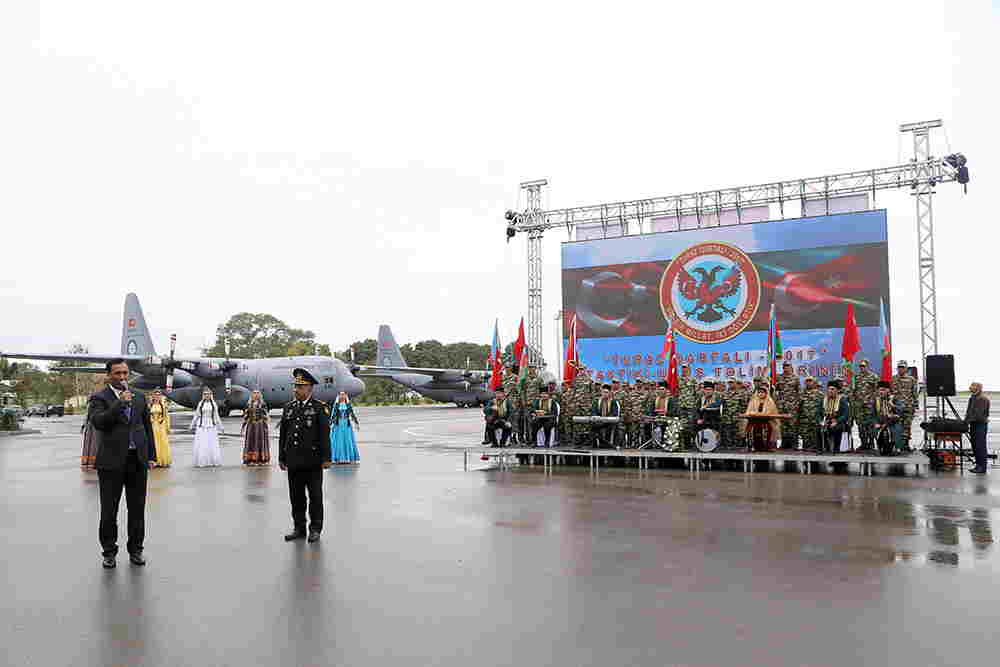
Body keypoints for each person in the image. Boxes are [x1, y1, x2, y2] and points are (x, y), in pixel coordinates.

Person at [88, 359, 156, 568]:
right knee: (109, 510)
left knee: (137, 509)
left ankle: (136, 550)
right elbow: (99, 422)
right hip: (111, 463)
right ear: (109, 375)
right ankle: (109, 552)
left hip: (137, 460)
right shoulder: (100, 398)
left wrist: (151, 454)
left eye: (125, 373)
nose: (123, 378)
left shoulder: (139, 396)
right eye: (118, 373)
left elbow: (146, 425)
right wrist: (119, 403)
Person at [279, 369, 332, 543]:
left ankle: (315, 528)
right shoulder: (289, 408)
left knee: (315, 497)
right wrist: (282, 457)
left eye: (300, 386)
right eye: (295, 386)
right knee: (296, 497)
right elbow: (284, 435)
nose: (296, 389)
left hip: (313, 461)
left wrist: (326, 458)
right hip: (293, 461)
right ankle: (299, 528)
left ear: (310, 388)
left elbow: (325, 435)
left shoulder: (319, 408)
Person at [190, 388, 223, 467]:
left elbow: (216, 416)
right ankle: (202, 460)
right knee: (202, 443)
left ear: (211, 395)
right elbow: (197, 414)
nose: (207, 396)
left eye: (208, 394)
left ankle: (212, 460)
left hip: (211, 425)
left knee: (211, 442)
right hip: (202, 425)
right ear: (203, 395)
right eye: (205, 394)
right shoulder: (200, 404)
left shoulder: (213, 404)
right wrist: (192, 424)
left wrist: (220, 426)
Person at [891, 360, 919, 450]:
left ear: (906, 368)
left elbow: (915, 393)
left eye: (902, 367)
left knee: (907, 426)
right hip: (896, 407)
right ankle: (897, 444)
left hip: (908, 407)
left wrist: (915, 405)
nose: (901, 369)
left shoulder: (911, 379)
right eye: (899, 367)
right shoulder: (893, 379)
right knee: (897, 426)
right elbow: (891, 393)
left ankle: (906, 444)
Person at [852, 359, 880, 449]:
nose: (862, 368)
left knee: (870, 424)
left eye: (863, 366)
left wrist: (872, 400)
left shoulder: (874, 376)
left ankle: (871, 443)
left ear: (867, 366)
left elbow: (878, 390)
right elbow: (853, 390)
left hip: (869, 405)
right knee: (861, 424)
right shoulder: (856, 377)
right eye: (861, 366)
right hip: (859, 405)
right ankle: (863, 443)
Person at [744, 385, 781, 449]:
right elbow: (749, 411)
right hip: (755, 421)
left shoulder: (770, 401)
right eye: (759, 392)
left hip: (767, 421)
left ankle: (767, 446)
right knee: (751, 427)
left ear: (766, 393)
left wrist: (758, 414)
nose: (760, 394)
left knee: (768, 428)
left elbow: (769, 412)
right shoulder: (753, 401)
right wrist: (755, 414)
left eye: (762, 392)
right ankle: (753, 446)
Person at [645, 381, 679, 448]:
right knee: (646, 424)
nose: (661, 391)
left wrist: (665, 413)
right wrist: (651, 415)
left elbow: (674, 412)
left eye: (662, 389)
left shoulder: (671, 400)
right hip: (656, 419)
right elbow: (651, 410)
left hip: (667, 419)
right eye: (659, 389)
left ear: (666, 390)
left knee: (666, 425)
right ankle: (649, 443)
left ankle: (664, 443)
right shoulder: (655, 399)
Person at [872, 380, 902, 455]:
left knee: (897, 429)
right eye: (879, 390)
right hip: (880, 422)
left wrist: (892, 405)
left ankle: (897, 448)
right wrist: (875, 423)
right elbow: (873, 414)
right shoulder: (876, 400)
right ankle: (878, 447)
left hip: (892, 422)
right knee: (874, 429)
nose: (881, 392)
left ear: (888, 390)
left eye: (883, 390)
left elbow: (900, 411)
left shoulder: (894, 399)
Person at [965, 382, 990, 474]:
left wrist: (968, 421)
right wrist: (965, 422)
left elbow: (979, 414)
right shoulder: (972, 398)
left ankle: (982, 467)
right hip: (973, 424)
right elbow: (969, 412)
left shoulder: (982, 399)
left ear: (978, 388)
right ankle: (978, 465)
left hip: (980, 425)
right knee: (975, 446)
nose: (970, 387)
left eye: (972, 386)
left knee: (980, 446)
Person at [820, 380, 850, 454]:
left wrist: (837, 421)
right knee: (818, 428)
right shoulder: (824, 399)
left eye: (832, 389)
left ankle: (837, 449)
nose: (830, 391)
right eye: (829, 389)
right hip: (826, 421)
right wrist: (820, 421)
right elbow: (818, 412)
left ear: (837, 390)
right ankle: (822, 449)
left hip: (838, 422)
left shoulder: (842, 400)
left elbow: (846, 414)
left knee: (837, 428)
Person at [775, 362, 801, 449]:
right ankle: (784, 443)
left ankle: (794, 444)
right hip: (782, 405)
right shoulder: (779, 378)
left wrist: (797, 404)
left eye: (788, 366)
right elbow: (776, 390)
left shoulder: (795, 378)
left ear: (791, 367)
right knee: (783, 425)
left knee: (792, 425)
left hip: (792, 406)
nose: (786, 368)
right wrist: (778, 402)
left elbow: (799, 392)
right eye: (784, 366)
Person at [330, 391, 361, 463]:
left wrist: (356, 423)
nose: (342, 396)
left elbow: (352, 414)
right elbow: (333, 415)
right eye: (341, 394)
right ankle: (337, 458)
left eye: (343, 394)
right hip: (338, 425)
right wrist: (330, 424)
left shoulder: (348, 405)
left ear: (346, 395)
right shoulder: (336, 405)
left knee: (348, 440)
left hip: (346, 425)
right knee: (338, 441)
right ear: (339, 396)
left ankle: (349, 458)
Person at [241, 390, 270, 466]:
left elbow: (266, 415)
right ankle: (250, 459)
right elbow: (246, 415)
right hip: (251, 425)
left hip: (260, 426)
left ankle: (261, 459)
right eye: (254, 393)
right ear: (252, 395)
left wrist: (266, 424)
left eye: (257, 393)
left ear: (260, 395)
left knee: (260, 441)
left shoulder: (262, 404)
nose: (256, 395)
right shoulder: (249, 404)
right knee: (251, 442)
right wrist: (243, 425)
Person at [797, 377, 823, 451]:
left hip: (815, 419)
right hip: (804, 419)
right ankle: (806, 447)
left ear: (814, 382)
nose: (808, 383)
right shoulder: (801, 393)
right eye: (807, 381)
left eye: (810, 381)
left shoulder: (820, 394)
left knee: (815, 435)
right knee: (805, 435)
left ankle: (815, 447)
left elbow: (823, 407)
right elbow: (798, 406)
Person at [147, 389, 172, 467]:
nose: (157, 396)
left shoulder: (163, 406)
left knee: (162, 443)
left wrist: (167, 427)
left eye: (158, 395)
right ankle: (154, 460)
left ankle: (162, 460)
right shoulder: (149, 405)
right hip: (152, 426)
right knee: (153, 442)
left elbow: (166, 416)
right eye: (155, 395)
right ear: (153, 396)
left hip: (160, 426)